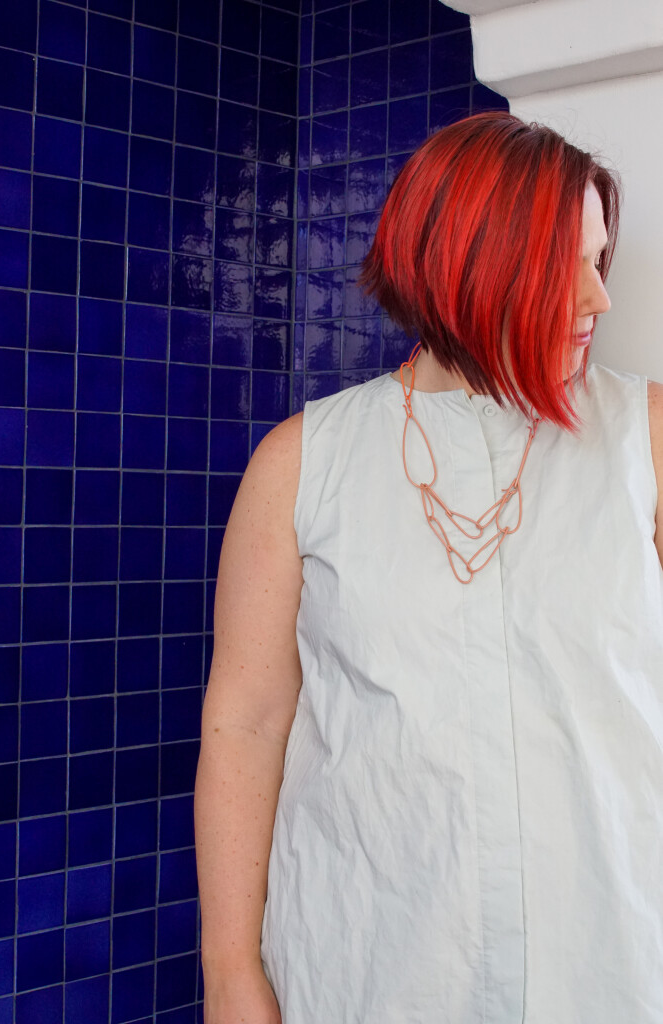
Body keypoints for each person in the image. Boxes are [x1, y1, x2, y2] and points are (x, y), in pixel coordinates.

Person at [194, 111, 663, 1024]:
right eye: (560, 265)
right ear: (465, 266)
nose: (596, 300)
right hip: (371, 958)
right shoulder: (301, 462)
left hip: (608, 958)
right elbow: (246, 725)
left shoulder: (647, 438)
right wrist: (230, 973)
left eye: (596, 261)